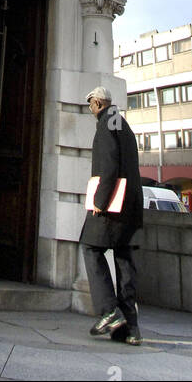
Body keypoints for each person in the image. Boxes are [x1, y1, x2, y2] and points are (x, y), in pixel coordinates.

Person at [79, 86, 144, 344]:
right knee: (124, 259)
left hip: (112, 203)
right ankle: (131, 328)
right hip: (131, 205)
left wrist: (99, 200)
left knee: (90, 247)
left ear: (97, 103)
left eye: (90, 105)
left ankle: (109, 311)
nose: (91, 110)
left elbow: (108, 165)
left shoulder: (106, 124)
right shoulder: (124, 125)